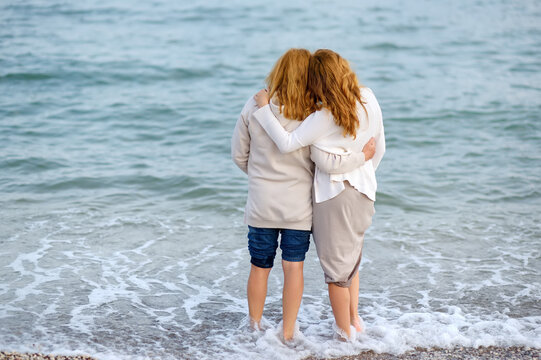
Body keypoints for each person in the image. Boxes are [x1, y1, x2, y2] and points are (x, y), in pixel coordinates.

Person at [231, 48, 375, 341]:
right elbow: (324, 158)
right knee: (293, 267)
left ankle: (254, 327)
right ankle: (288, 333)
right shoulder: (314, 112)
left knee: (259, 265)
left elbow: (238, 155)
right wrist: (362, 158)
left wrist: (261, 176)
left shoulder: (254, 106)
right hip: (298, 207)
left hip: (262, 203)